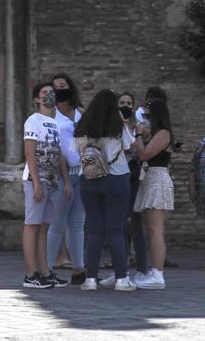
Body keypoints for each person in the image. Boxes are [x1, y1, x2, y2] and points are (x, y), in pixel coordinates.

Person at [74, 88, 136, 291]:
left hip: (89, 179)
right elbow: (130, 147)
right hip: (117, 178)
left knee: (94, 230)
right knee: (116, 230)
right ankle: (121, 279)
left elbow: (78, 151)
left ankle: (90, 279)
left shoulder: (82, 126)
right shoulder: (118, 125)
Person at [21, 81, 67, 289]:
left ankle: (45, 271)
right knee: (32, 226)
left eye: (52, 92)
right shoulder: (34, 120)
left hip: (53, 181)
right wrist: (36, 183)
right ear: (37, 99)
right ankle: (31, 274)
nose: (49, 95)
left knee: (44, 227)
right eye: (44, 93)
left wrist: (66, 181)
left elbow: (59, 154)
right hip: (36, 181)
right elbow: (30, 151)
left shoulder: (56, 123)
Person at [130, 93, 174, 289]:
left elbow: (144, 154)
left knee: (156, 230)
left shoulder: (163, 133)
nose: (145, 118)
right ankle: (153, 271)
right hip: (149, 179)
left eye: (148, 114)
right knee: (150, 229)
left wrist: (139, 134)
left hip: (157, 179)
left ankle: (158, 274)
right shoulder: (155, 133)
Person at [47, 73, 86, 283]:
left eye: (63, 86)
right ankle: (48, 269)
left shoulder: (80, 112)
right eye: (56, 88)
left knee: (78, 223)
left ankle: (79, 269)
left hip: (82, 172)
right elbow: (55, 147)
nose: (61, 90)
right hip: (62, 175)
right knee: (57, 222)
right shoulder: (51, 116)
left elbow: (88, 142)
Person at [116, 89, 148, 282]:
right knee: (119, 221)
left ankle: (143, 268)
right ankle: (122, 268)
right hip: (117, 176)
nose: (125, 107)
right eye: (122, 103)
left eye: (129, 104)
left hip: (133, 175)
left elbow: (138, 150)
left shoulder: (139, 127)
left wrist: (136, 133)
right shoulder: (111, 125)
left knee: (135, 220)